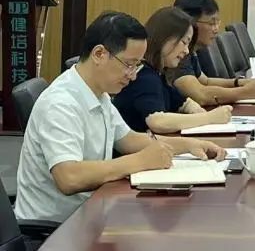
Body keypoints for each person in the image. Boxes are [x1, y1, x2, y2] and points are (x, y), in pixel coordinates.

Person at [15, 11, 225, 223]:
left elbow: (129, 139)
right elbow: (69, 177)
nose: (133, 75)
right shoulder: (60, 103)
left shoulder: (99, 93)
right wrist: (140, 161)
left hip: (93, 212)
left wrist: (189, 145)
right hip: (56, 228)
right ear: (99, 54)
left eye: (137, 65)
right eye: (129, 64)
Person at [113, 7, 233, 133]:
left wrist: (198, 112)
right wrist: (209, 118)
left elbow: (183, 103)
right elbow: (158, 121)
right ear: (164, 38)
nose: (186, 51)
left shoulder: (158, 74)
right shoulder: (145, 76)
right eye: (184, 42)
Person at [171, 0, 255, 105]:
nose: (216, 29)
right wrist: (246, 92)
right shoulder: (176, 52)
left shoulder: (190, 50)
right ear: (190, 23)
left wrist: (242, 83)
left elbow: (205, 81)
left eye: (217, 22)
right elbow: (200, 95)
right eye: (211, 23)